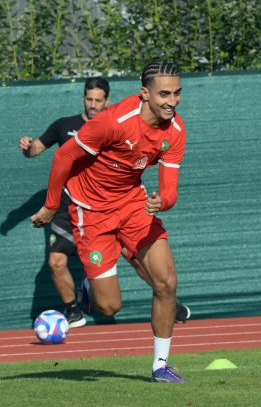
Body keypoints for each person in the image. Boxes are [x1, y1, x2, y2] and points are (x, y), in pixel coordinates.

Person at [31, 60, 188, 382]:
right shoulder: (112, 122)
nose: (171, 101)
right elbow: (64, 156)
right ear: (144, 93)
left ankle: (161, 365)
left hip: (134, 206)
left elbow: (170, 188)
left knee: (167, 282)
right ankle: (91, 287)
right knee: (108, 307)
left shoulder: (175, 131)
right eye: (164, 94)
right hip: (92, 212)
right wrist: (49, 206)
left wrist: (165, 202)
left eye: (177, 93)